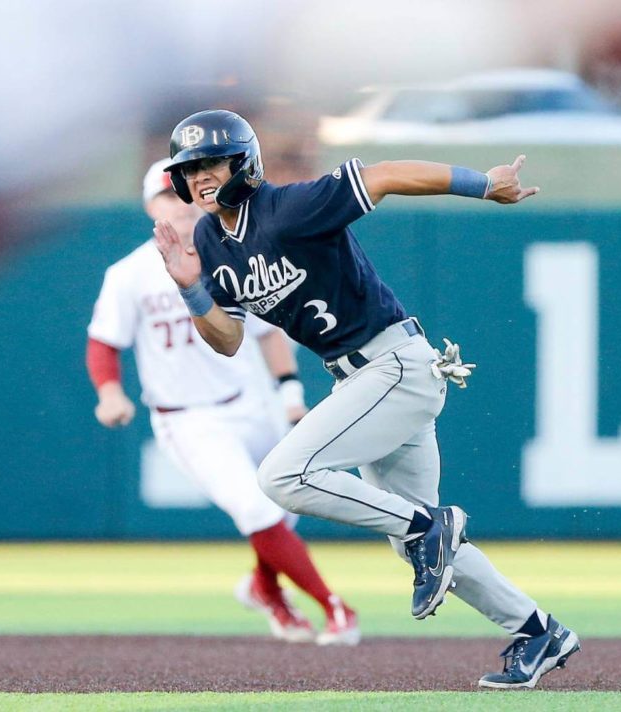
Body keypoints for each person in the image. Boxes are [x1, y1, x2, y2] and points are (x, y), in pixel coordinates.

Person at [153, 110, 580, 689]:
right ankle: (537, 631)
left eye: (212, 162)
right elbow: (228, 341)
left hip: (395, 366)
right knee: (420, 548)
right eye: (190, 168)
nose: (201, 177)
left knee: (282, 476)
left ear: (242, 163)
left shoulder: (287, 207)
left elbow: (381, 175)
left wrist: (484, 184)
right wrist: (192, 289)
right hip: (360, 381)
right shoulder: (207, 239)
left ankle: (430, 527)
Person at [86, 160, 360, 646]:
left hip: (250, 402)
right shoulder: (129, 273)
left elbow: (267, 334)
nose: (179, 204)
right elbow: (104, 340)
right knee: (257, 511)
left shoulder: (229, 253)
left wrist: (290, 394)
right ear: (151, 206)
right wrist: (109, 392)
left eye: (184, 194)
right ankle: (334, 606)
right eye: (167, 196)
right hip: (188, 418)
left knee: (283, 503)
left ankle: (264, 588)